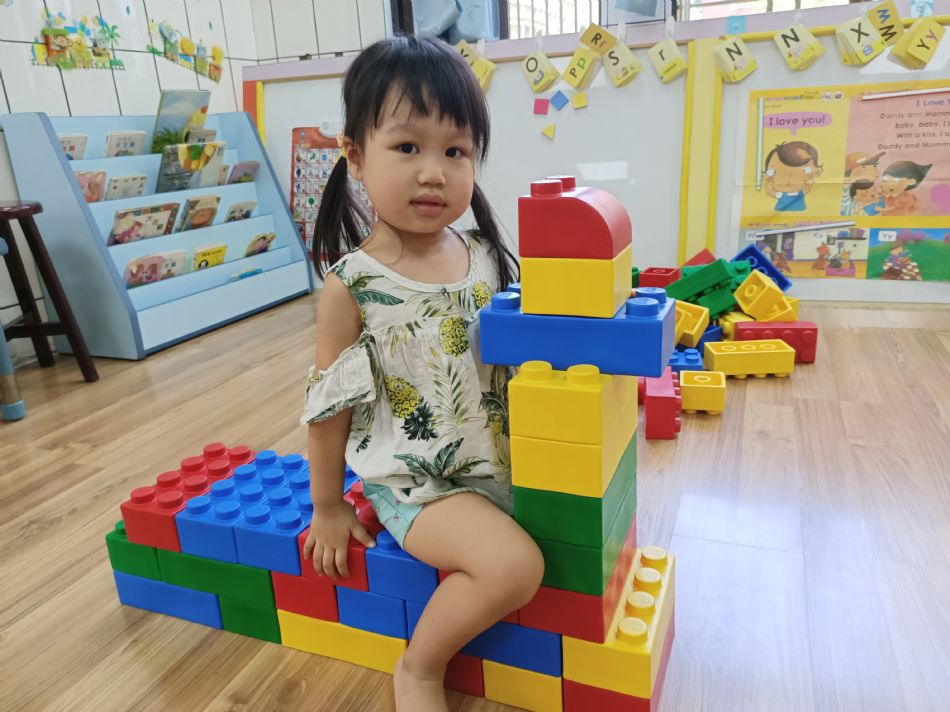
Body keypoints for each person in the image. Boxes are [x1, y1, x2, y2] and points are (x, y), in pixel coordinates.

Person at [298, 35, 541, 712]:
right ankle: (420, 668)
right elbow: (328, 410)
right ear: (355, 155)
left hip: (502, 463)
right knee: (515, 568)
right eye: (407, 147)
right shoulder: (352, 286)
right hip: (421, 484)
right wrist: (328, 507)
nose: (433, 172)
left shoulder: (485, 255)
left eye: (455, 151)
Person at [762, 140, 823, 212]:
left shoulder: (801, 192)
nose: (788, 178)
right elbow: (770, 191)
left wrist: (809, 179)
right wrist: (770, 183)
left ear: (817, 171)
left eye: (805, 170)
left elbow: (807, 187)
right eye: (774, 172)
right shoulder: (781, 194)